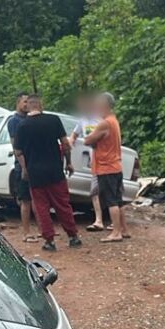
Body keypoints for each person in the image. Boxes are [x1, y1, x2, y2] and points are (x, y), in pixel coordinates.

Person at [14, 94, 82, 251]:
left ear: (29, 106)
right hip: (55, 171)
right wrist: (69, 163)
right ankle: (73, 236)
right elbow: (65, 144)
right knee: (63, 205)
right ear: (41, 105)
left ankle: (49, 241)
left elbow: (18, 151)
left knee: (41, 208)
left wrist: (25, 168)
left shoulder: (22, 126)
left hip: (35, 174)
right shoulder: (53, 120)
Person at [84, 92, 128, 243]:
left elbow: (88, 140)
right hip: (116, 166)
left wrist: (90, 138)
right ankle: (124, 229)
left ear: (105, 105)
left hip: (106, 167)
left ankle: (116, 233)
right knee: (118, 199)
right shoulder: (113, 120)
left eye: (98, 105)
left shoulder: (105, 123)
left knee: (111, 201)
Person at [69, 94, 105, 232]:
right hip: (93, 161)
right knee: (94, 191)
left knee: (108, 192)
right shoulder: (82, 120)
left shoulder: (101, 120)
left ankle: (117, 223)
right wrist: (71, 141)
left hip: (104, 160)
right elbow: (74, 134)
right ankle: (99, 220)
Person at [7, 91, 37, 243]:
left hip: (35, 163)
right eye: (25, 102)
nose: (27, 105)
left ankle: (40, 230)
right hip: (23, 165)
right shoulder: (14, 121)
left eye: (29, 102)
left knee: (37, 198)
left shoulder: (32, 119)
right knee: (25, 200)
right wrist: (23, 165)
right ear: (18, 103)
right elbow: (15, 146)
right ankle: (26, 233)